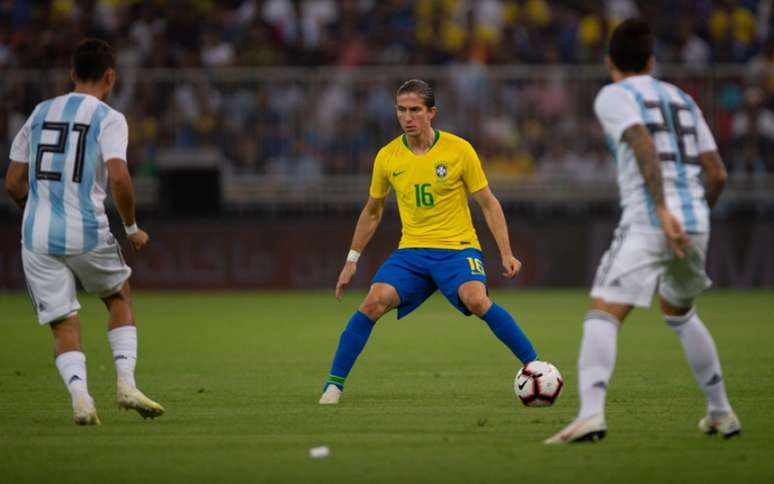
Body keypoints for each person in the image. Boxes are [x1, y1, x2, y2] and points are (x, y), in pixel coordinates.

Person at [545, 19, 738, 444]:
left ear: (609, 61)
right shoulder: (683, 98)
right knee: (680, 312)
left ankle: (591, 415)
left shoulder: (614, 95)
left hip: (651, 219)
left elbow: (642, 142)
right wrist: (693, 216)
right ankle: (721, 412)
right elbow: (718, 173)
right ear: (652, 61)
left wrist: (665, 211)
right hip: (696, 223)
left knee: (603, 311)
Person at [319, 79, 540, 404]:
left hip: (458, 248)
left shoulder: (459, 150)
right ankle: (333, 386)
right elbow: (372, 211)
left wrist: (506, 253)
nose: (407, 117)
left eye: (415, 110)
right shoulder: (388, 157)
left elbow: (489, 203)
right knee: (373, 301)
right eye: (401, 110)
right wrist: (352, 259)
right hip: (412, 252)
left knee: (476, 299)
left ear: (431, 112)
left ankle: (535, 367)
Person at [4, 39, 164, 425]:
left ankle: (80, 397)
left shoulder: (39, 112)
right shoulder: (109, 117)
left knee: (63, 320)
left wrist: (34, 209)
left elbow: (12, 182)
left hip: (36, 237)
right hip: (86, 230)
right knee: (117, 296)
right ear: (110, 76)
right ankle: (125, 384)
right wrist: (131, 227)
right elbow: (120, 178)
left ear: (72, 73)